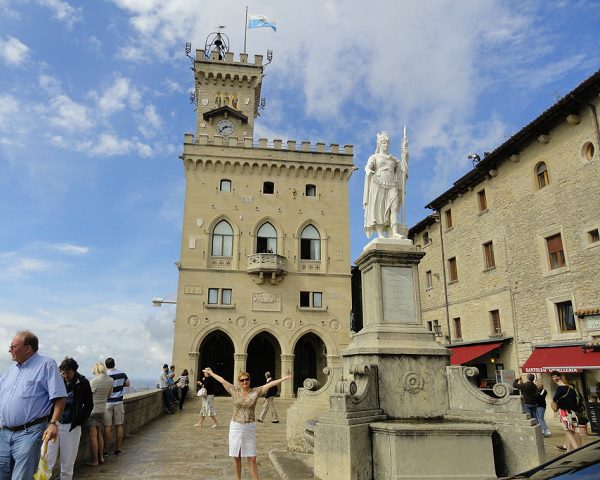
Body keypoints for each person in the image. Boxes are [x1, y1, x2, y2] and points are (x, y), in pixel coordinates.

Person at [0, 330, 67, 480]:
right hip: (4, 433)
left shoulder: (46, 365)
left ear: (27, 348)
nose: (9, 350)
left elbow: (60, 397)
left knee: (21, 477)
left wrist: (53, 423)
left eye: (13, 347)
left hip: (29, 432)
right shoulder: (10, 371)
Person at [202, 367, 291, 480]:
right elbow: (222, 380)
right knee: (236, 456)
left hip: (249, 427)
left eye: (246, 379)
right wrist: (211, 373)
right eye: (242, 380)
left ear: (249, 380)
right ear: (239, 382)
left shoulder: (255, 391)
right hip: (236, 426)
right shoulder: (234, 390)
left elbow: (270, 384)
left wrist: (284, 378)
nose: (244, 382)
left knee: (252, 457)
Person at [47, 357, 93, 479]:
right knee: (46, 460)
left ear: (74, 371)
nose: (65, 375)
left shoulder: (83, 383)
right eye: (62, 372)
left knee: (67, 463)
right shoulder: (56, 381)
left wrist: (79, 420)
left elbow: (89, 404)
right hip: (53, 425)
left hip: (71, 427)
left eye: (68, 372)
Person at [363, 130, 409, 239]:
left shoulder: (393, 159)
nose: (386, 145)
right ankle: (380, 233)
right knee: (379, 208)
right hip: (378, 183)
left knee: (394, 207)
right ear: (379, 144)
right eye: (383, 143)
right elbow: (368, 166)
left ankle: (394, 231)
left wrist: (405, 154)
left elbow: (402, 169)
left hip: (392, 184)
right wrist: (368, 170)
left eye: (387, 143)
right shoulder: (374, 157)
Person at [87, 362, 114, 465]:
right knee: (99, 434)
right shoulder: (110, 380)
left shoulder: (93, 381)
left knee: (93, 436)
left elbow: (88, 397)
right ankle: (101, 457)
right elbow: (109, 395)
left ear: (96, 370)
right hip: (102, 410)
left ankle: (94, 461)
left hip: (92, 411)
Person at [104, 357, 130, 456]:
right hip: (119, 402)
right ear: (114, 364)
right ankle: (118, 448)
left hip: (108, 403)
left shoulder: (105, 375)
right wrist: (119, 385)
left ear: (106, 365)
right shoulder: (122, 373)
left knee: (108, 426)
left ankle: (105, 450)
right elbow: (127, 384)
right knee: (119, 425)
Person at [550, 371, 582, 451]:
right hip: (573, 412)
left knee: (567, 431)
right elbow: (575, 401)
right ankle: (568, 449)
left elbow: (554, 400)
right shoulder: (570, 388)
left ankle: (576, 450)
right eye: (553, 377)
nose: (554, 378)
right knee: (573, 430)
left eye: (554, 377)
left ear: (559, 377)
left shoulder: (559, 388)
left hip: (564, 412)